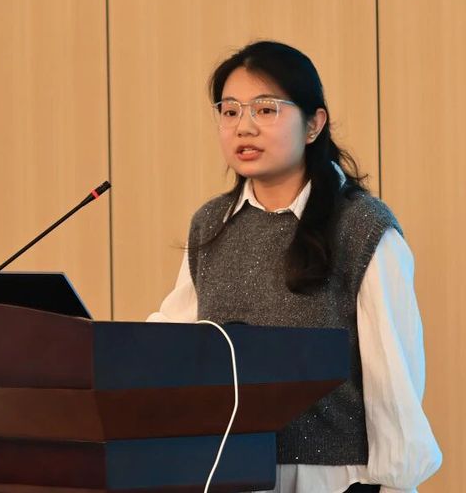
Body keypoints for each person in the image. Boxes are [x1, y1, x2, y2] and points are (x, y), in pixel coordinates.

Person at [147, 41, 442, 493]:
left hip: (333, 479)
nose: (244, 127)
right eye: (230, 111)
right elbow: (175, 342)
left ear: (313, 125)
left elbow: (392, 379)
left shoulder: (361, 226)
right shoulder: (211, 224)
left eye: (265, 110)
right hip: (225, 473)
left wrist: (391, 482)